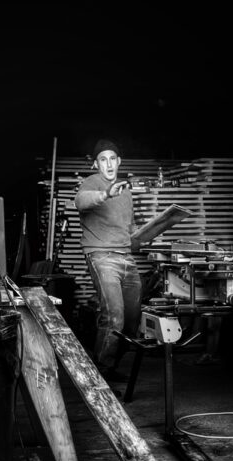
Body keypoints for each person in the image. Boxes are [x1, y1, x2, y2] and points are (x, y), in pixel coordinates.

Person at [74, 139, 142, 382]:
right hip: (101, 256)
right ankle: (100, 374)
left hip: (127, 257)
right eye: (103, 159)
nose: (109, 163)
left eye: (113, 158)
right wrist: (105, 193)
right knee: (114, 317)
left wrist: (145, 236)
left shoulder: (126, 193)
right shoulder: (91, 184)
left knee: (133, 321)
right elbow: (80, 202)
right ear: (96, 164)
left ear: (119, 161)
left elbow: (129, 230)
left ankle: (111, 364)